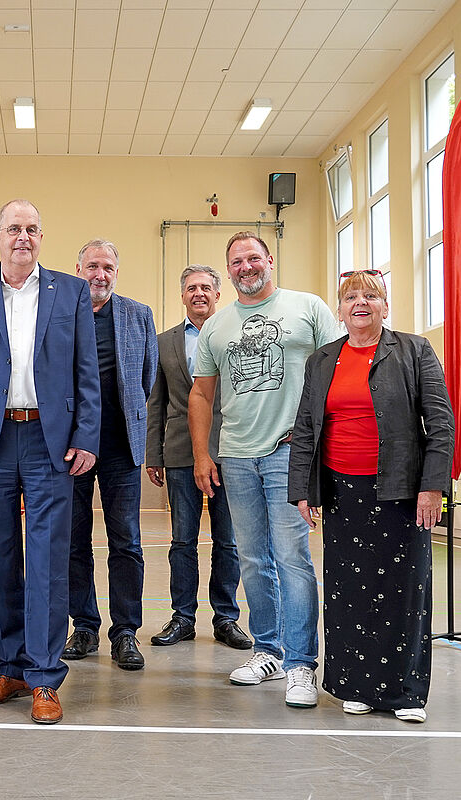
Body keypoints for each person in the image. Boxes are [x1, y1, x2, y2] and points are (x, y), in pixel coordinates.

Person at [0, 199, 100, 725]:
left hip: (50, 442)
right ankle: (11, 668)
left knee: (50, 563)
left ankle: (45, 677)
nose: (23, 237)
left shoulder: (72, 291)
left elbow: (86, 375)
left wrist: (87, 437)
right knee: (1, 560)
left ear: (41, 237)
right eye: (14, 228)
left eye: (32, 229)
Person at [288, 269, 453, 723]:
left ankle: (406, 693)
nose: (360, 303)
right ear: (339, 311)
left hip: (401, 489)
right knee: (348, 593)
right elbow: (306, 429)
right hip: (342, 490)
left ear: (385, 305)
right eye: (350, 297)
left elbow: (440, 425)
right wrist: (302, 489)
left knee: (405, 590)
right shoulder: (322, 360)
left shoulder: (414, 350)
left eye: (371, 296)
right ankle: (356, 687)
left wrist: (433, 486)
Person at [188, 231, 341, 709]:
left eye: (254, 258)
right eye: (237, 261)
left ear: (270, 260)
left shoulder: (307, 308)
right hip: (236, 455)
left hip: (289, 453)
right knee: (253, 558)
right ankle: (268, 649)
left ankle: (300, 664)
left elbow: (339, 370)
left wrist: (318, 437)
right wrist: (201, 453)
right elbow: (200, 394)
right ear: (228, 270)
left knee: (292, 557)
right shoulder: (216, 327)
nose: (246, 266)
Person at [62, 239, 158, 671]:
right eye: (92, 266)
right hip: (69, 450)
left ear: (116, 272)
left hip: (122, 448)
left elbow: (149, 384)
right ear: (77, 269)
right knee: (73, 543)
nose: (100, 275)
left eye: (108, 267)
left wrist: (147, 442)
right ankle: (84, 626)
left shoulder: (139, 315)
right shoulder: (61, 314)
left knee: (127, 542)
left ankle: (125, 633)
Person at [145, 265, 251, 651]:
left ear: (217, 294)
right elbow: (155, 403)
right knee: (182, 541)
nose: (199, 294)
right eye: (192, 288)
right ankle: (183, 618)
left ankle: (226, 618)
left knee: (228, 540)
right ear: (183, 295)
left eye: (206, 287)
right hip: (178, 452)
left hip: (231, 448)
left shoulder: (237, 334)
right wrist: (152, 453)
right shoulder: (163, 342)